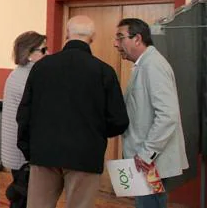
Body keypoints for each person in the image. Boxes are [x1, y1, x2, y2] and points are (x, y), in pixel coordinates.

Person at [17, 15, 129, 208]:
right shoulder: (104, 72)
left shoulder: (41, 67)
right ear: (92, 38)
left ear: (67, 34)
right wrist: (95, 132)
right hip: (85, 155)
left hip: (44, 153)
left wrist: (28, 148)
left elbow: (24, 113)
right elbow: (119, 120)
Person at [114, 18, 188, 208]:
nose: (116, 44)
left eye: (120, 38)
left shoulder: (153, 65)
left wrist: (147, 154)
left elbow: (167, 115)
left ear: (137, 38)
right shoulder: (144, 64)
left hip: (150, 162)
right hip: (146, 160)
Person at [1, 31, 47, 208]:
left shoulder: (26, 74)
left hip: (21, 149)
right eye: (44, 50)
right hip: (22, 152)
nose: (48, 54)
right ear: (29, 53)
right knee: (23, 198)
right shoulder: (24, 77)